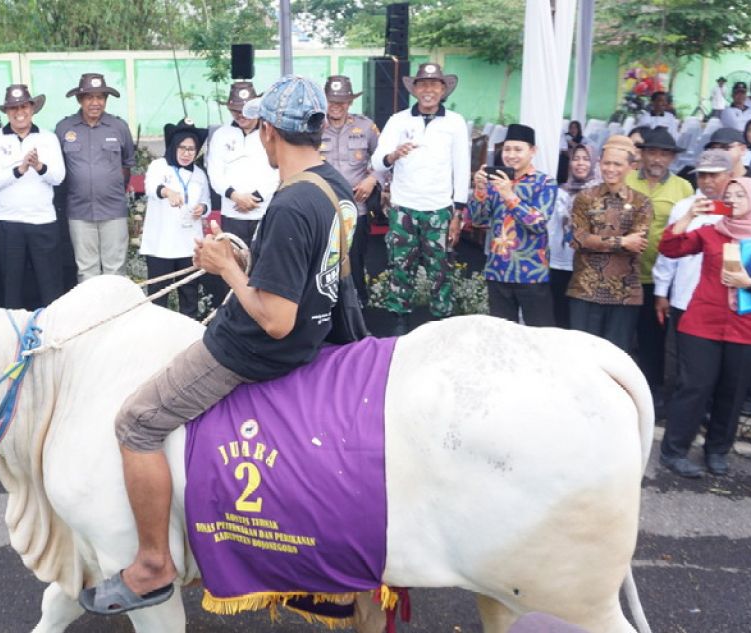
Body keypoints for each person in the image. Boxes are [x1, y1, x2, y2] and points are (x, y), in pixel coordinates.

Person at [77, 75, 356, 616]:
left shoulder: (293, 203)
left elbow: (275, 319)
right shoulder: (334, 187)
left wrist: (227, 267)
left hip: (256, 349)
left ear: (270, 132)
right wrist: (248, 259)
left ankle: (154, 565)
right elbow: (310, 275)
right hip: (315, 336)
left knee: (135, 421)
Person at [657, 177, 751, 478]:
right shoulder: (713, 232)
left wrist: (750, 283)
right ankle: (673, 451)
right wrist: (690, 216)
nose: (734, 200)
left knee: (733, 390)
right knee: (694, 386)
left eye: (741, 195)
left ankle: (717, 450)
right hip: (703, 323)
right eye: (729, 195)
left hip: (748, 327)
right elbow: (670, 247)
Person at [371, 63, 469, 333]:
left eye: (434, 85)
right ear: (414, 89)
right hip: (404, 207)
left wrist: (458, 213)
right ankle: (399, 326)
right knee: (400, 268)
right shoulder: (398, 120)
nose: (428, 90)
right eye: (423, 85)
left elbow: (462, 168)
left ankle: (441, 329)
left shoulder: (455, 122)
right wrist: (394, 155)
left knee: (440, 272)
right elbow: (377, 163)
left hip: (439, 209)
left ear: (443, 89)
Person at [653, 149, 734, 408]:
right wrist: (661, 291)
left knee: (717, 366)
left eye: (714, 176)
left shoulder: (742, 207)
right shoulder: (684, 207)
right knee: (679, 361)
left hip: (725, 300)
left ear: (729, 176)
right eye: (703, 176)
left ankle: (706, 412)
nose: (708, 181)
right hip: (684, 296)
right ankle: (676, 410)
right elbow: (668, 253)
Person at [566, 136, 653, 353]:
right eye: (606, 163)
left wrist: (596, 241)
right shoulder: (585, 198)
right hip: (585, 289)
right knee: (581, 353)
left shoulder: (641, 202)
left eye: (617, 164)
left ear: (631, 167)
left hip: (625, 294)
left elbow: (638, 244)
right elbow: (578, 239)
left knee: (616, 356)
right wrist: (621, 241)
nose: (610, 169)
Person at [0, 84, 65, 309]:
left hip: (43, 221)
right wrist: (19, 170)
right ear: (6, 112)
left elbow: (58, 177)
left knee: (50, 287)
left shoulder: (48, 138)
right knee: (11, 289)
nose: (19, 112)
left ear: (32, 108)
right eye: (13, 108)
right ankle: (13, 339)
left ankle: (53, 336)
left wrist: (38, 166)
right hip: (9, 222)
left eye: (24, 106)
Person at [625, 127, 693, 395]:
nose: (657, 159)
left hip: (659, 279)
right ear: (642, 155)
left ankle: (652, 393)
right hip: (623, 274)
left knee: (653, 340)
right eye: (651, 152)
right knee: (622, 337)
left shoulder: (683, 188)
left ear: (672, 159)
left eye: (664, 154)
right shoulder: (626, 179)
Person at [470, 123, 557, 326]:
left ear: (532, 151)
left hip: (532, 273)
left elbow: (537, 223)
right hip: (498, 271)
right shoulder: (495, 181)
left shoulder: (544, 183)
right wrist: (480, 190)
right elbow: (478, 220)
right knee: (501, 338)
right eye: (507, 149)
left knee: (540, 335)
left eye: (518, 149)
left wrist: (509, 195)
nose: (511, 155)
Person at [56, 73, 136, 282]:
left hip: (113, 210)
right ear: (80, 100)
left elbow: (127, 165)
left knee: (115, 271)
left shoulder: (119, 127)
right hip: (79, 211)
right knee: (86, 271)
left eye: (100, 97)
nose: (95, 103)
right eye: (89, 97)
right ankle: (93, 316)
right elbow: (58, 169)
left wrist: (111, 187)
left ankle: (117, 314)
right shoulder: (64, 128)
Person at [320, 75, 380, 306]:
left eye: (342, 101)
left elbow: (383, 161)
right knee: (324, 262)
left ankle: (358, 309)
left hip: (357, 209)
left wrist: (372, 180)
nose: (336, 106)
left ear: (350, 102)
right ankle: (327, 308)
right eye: (332, 100)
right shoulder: (313, 127)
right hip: (323, 209)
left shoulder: (366, 127)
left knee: (354, 261)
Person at [140, 119, 210, 317]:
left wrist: (202, 208)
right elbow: (151, 187)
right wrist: (167, 192)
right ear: (173, 146)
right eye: (183, 148)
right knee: (158, 296)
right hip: (161, 245)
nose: (187, 153)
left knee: (189, 294)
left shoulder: (199, 174)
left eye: (192, 149)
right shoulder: (158, 166)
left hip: (188, 244)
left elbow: (206, 203)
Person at [206, 81, 280, 248]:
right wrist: (235, 196)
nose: (241, 115)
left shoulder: (270, 133)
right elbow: (215, 173)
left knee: (263, 265)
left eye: (246, 110)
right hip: (232, 213)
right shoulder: (220, 135)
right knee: (235, 263)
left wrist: (257, 198)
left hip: (264, 211)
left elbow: (278, 171)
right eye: (236, 111)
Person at [549, 143, 599, 328]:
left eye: (586, 159)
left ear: (594, 163)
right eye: (576, 159)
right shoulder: (560, 191)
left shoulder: (599, 194)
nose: (580, 163)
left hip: (586, 264)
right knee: (559, 317)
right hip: (559, 262)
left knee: (581, 321)